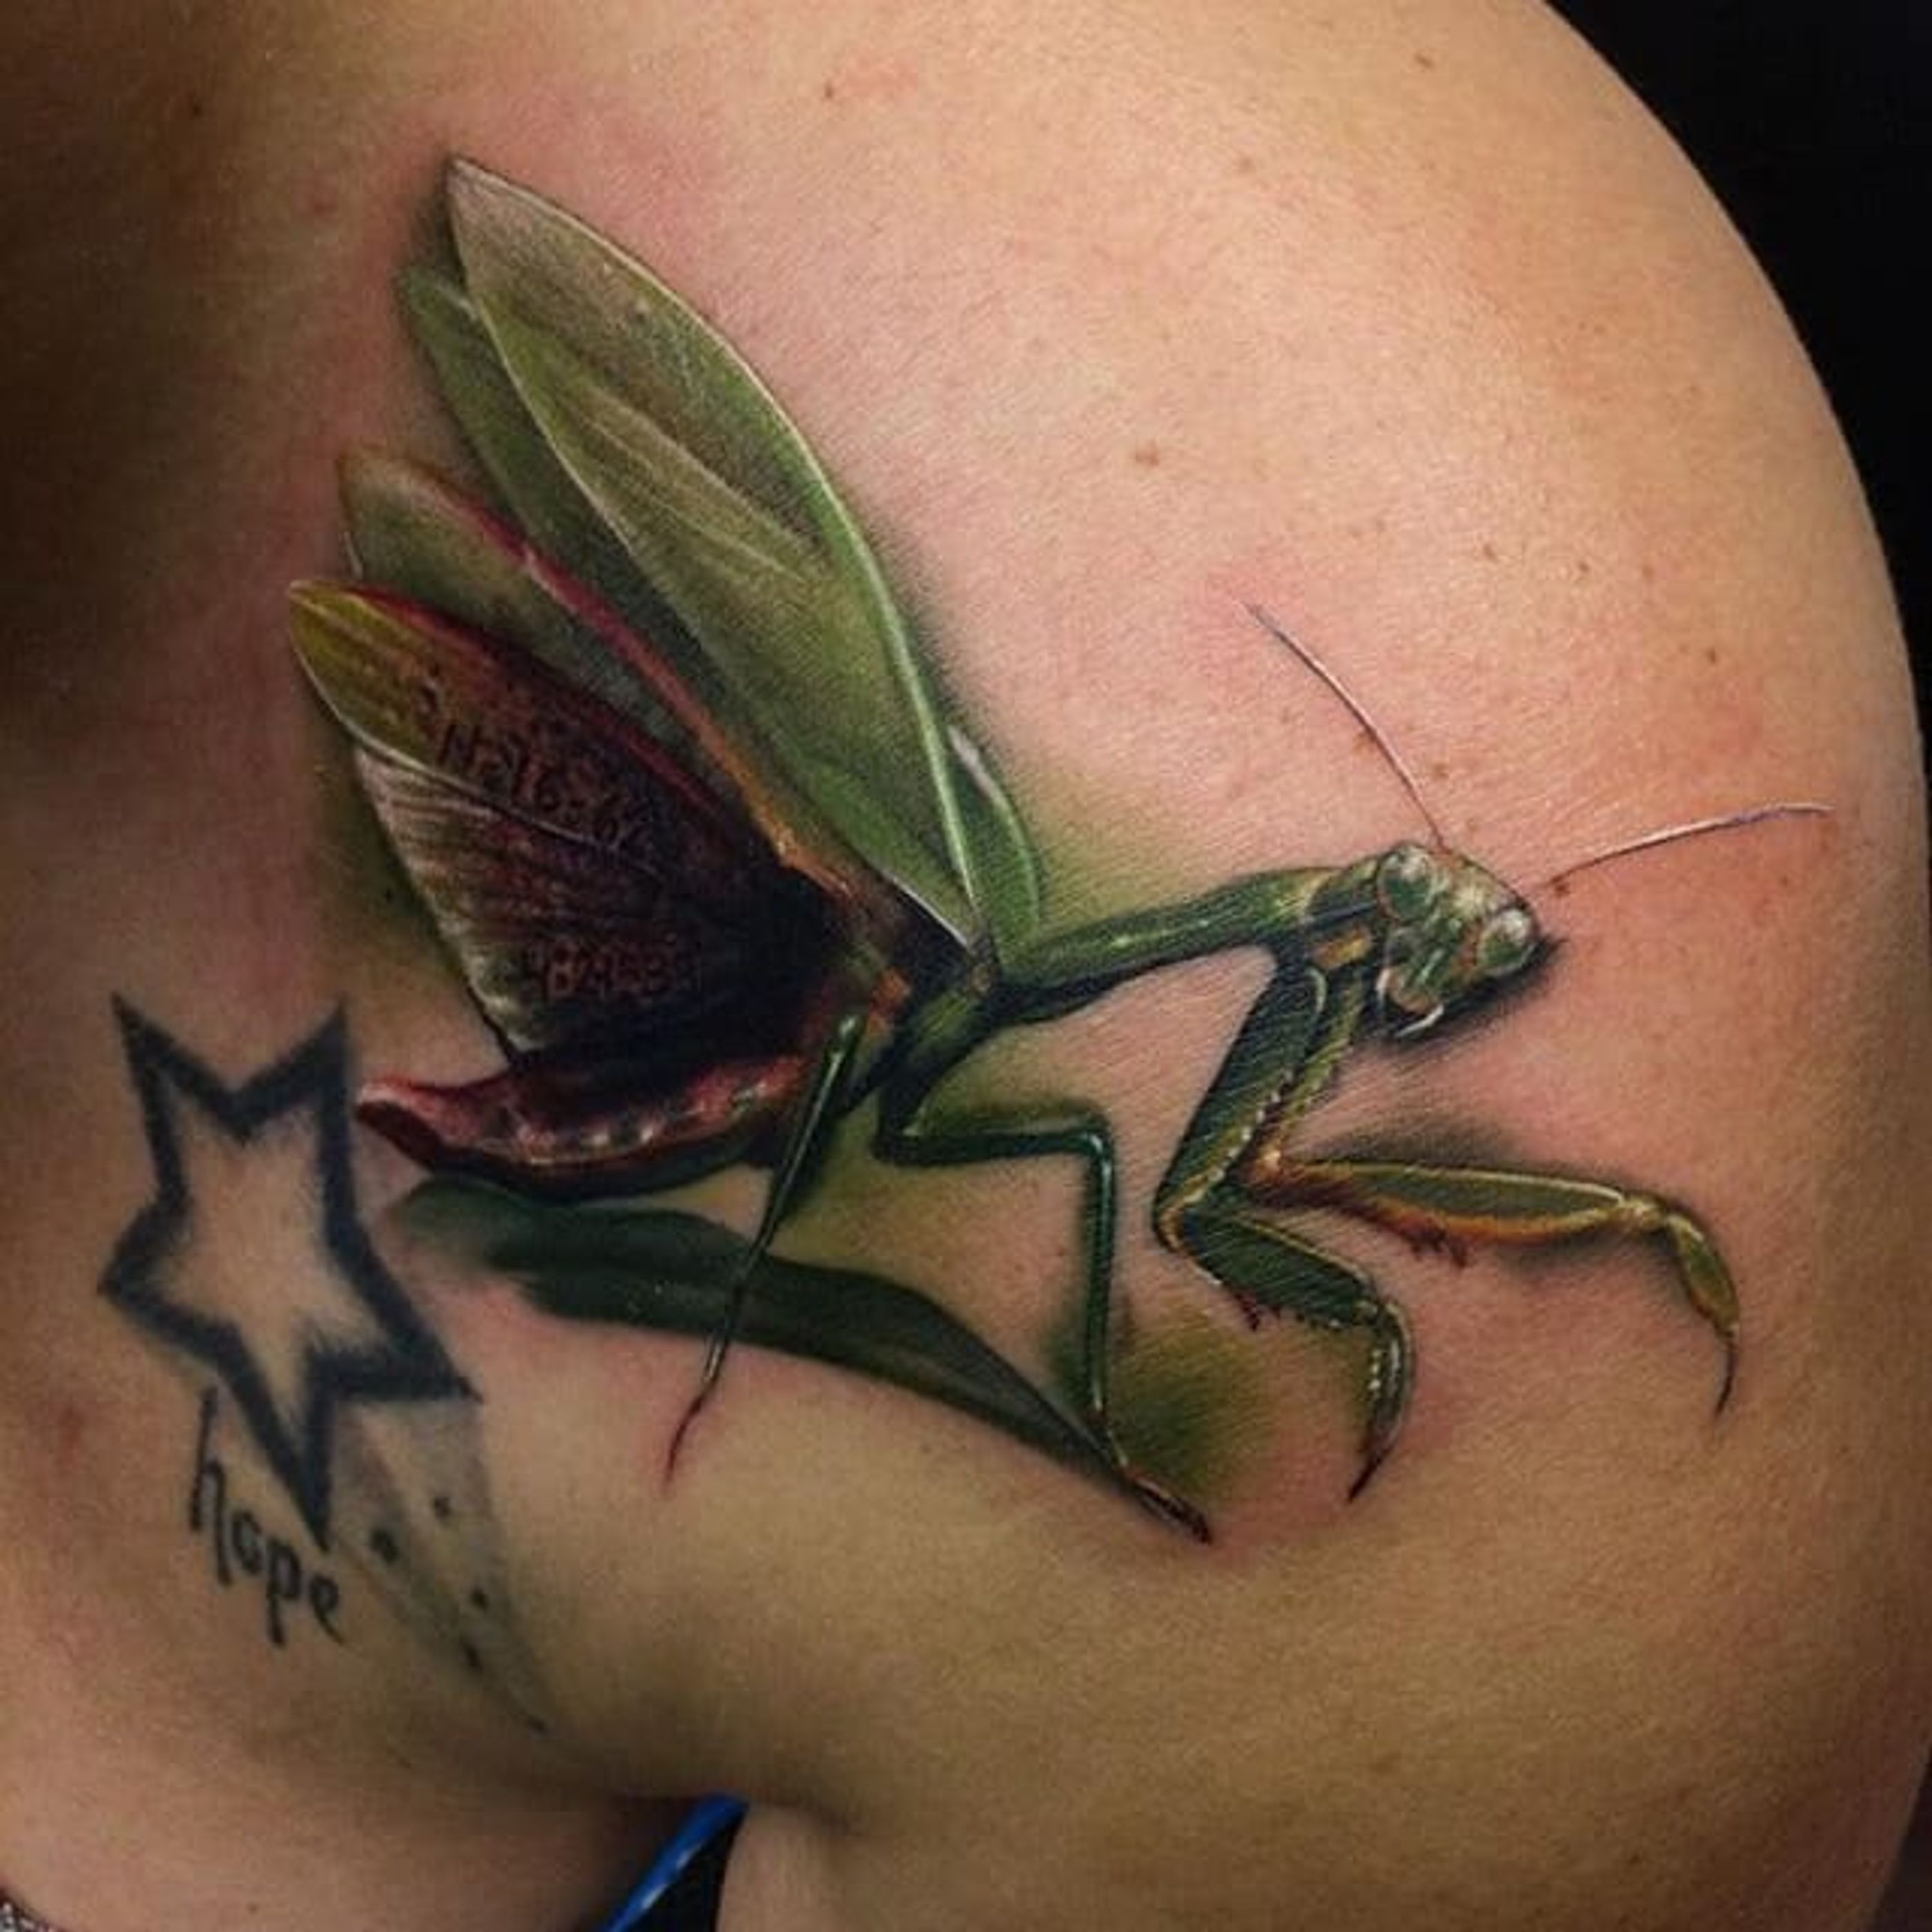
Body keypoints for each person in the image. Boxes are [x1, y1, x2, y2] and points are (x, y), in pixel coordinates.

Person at [2, 4, 1926, 1928]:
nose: (1428, 986)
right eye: (1420, 936)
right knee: (1089, 1157)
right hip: (763, 1032)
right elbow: (1203, 1198)